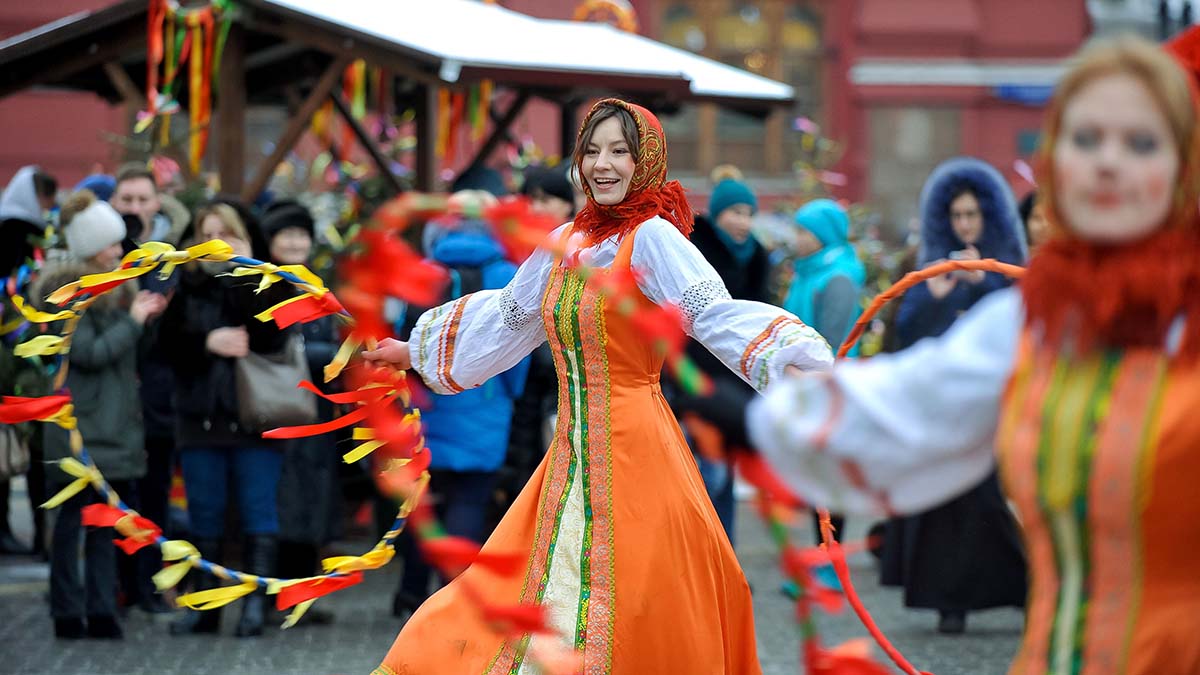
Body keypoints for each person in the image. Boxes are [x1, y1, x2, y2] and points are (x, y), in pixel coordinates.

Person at [750, 34, 1200, 672]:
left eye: (1142, 143)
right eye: (1085, 138)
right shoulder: (1032, 318)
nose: (1107, 162)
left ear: (1185, 164)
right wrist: (750, 412)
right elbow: (908, 399)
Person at [362, 98, 832, 674]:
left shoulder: (654, 239)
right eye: (592, 151)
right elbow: (511, 318)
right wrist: (413, 351)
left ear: (647, 161)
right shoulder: (565, 241)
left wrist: (797, 364)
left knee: (640, 602)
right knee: (511, 594)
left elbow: (713, 315)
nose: (603, 164)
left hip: (641, 449)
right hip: (572, 450)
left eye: (619, 152)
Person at [875, 156, 1030, 634]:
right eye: (958, 216)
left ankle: (1025, 585)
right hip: (942, 409)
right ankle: (948, 603)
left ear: (988, 216)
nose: (965, 225)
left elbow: (1019, 328)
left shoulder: (1006, 273)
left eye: (973, 215)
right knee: (942, 505)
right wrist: (937, 295)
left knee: (988, 503)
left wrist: (984, 285)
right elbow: (906, 334)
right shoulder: (930, 273)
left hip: (992, 408)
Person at [391, 190, 531, 619]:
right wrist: (508, 393)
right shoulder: (511, 274)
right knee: (471, 499)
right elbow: (518, 352)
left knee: (424, 501)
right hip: (484, 403)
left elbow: (404, 342)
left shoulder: (422, 274)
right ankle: (454, 597)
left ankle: (410, 594)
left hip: (428, 408)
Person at [36, 190, 167, 639]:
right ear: (94, 249)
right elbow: (88, 353)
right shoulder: (69, 296)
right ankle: (68, 613)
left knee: (103, 525)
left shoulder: (117, 291)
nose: (120, 250)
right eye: (112, 244)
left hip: (112, 429)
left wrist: (144, 321)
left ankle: (102, 607)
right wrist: (132, 320)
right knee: (72, 527)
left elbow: (128, 358)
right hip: (78, 432)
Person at [159, 201, 290, 637]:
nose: (215, 243)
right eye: (206, 234)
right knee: (204, 517)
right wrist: (206, 342)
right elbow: (163, 349)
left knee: (259, 514)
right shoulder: (183, 286)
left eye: (226, 234)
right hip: (201, 421)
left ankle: (255, 605)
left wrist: (243, 274)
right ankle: (206, 606)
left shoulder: (268, 283)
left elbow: (275, 335)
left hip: (255, 420)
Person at [673, 172, 770, 544]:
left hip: (737, 383)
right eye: (735, 212)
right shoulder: (695, 250)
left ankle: (723, 555)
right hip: (696, 381)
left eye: (749, 213)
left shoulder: (758, 258)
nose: (743, 221)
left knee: (724, 475)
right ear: (717, 214)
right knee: (700, 475)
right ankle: (695, 554)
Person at [260, 201, 343, 626]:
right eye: (286, 235)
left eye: (301, 235)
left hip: (317, 415)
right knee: (281, 505)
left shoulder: (318, 287)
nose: (294, 243)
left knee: (313, 504)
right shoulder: (264, 287)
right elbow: (281, 351)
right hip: (278, 412)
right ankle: (276, 596)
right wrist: (337, 356)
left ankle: (304, 596)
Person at [0, 165, 57, 557]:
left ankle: (28, 532)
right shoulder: (18, 235)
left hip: (19, 354)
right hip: (20, 355)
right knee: (29, 451)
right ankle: (40, 535)